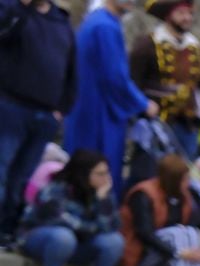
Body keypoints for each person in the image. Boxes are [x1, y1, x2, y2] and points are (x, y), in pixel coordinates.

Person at [0, 0, 77, 247]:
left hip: (45, 115)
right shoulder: (10, 9)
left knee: (22, 178)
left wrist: (62, 108)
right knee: (2, 170)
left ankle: (8, 230)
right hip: (11, 107)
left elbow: (71, 69)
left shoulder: (61, 20)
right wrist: (21, 9)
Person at [65, 0, 155, 198]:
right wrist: (142, 104)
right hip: (98, 112)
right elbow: (115, 77)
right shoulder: (104, 27)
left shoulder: (97, 22)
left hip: (86, 109)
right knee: (98, 172)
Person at [16, 147, 123, 266]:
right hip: (41, 240)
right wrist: (94, 227)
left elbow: (112, 227)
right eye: (100, 174)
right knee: (64, 236)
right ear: (84, 173)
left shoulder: (102, 193)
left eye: (107, 173)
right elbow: (63, 222)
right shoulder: (57, 188)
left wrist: (102, 201)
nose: (105, 178)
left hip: (77, 243)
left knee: (114, 241)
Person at [129, 0, 200, 160]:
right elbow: (133, 82)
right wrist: (141, 109)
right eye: (181, 13)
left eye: (189, 13)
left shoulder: (196, 47)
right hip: (156, 123)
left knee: (183, 175)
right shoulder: (148, 45)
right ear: (168, 15)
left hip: (188, 125)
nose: (187, 18)